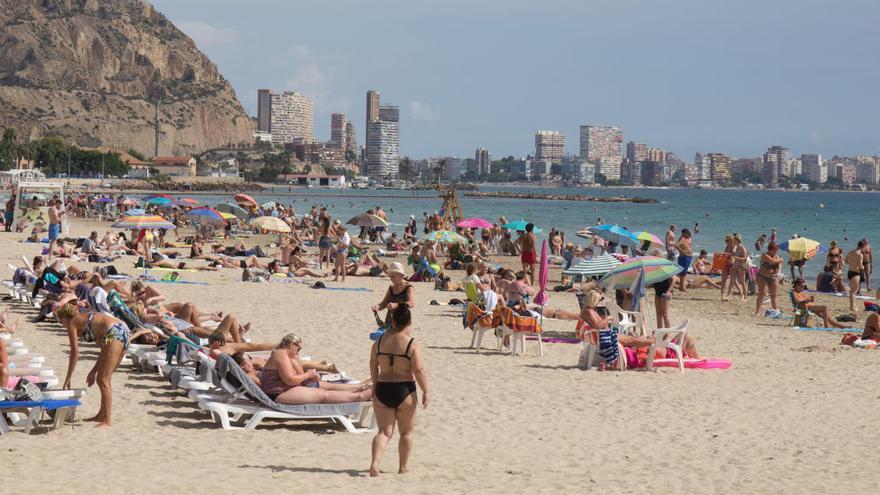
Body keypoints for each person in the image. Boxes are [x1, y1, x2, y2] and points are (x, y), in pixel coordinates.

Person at [369, 303, 429, 477]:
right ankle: (402, 468)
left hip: (383, 388)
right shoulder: (411, 344)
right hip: (404, 390)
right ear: (409, 322)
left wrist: (374, 384)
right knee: (406, 432)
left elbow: (373, 365)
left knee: (383, 432)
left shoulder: (378, 342)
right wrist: (426, 391)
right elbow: (418, 370)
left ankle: (375, 464)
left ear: (392, 322)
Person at [54, 304, 134, 427]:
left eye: (60, 320)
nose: (61, 324)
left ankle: (107, 420)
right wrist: (93, 371)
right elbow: (104, 350)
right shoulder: (85, 321)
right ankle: (101, 415)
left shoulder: (73, 322)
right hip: (122, 331)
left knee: (103, 380)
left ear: (65, 317)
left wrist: (68, 378)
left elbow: (75, 352)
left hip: (116, 332)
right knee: (103, 378)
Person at [259, 333, 370, 404]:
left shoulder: (287, 355)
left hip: (286, 388)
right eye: (299, 347)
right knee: (324, 396)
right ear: (292, 344)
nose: (299, 350)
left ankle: (361, 389)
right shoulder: (280, 354)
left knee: (329, 388)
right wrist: (307, 375)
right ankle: (360, 396)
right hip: (277, 393)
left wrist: (308, 378)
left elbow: (295, 377)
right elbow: (290, 380)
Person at [754, 242, 783, 316]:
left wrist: (778, 272)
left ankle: (775, 311)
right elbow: (772, 261)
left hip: (772, 277)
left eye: (776, 251)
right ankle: (757, 312)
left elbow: (779, 264)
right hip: (762, 276)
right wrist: (780, 260)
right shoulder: (764, 255)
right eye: (774, 250)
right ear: (770, 250)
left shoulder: (776, 256)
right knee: (762, 294)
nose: (776, 252)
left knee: (773, 295)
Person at [728, 233, 749, 302]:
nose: (733, 241)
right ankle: (739, 295)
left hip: (741, 267)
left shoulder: (742, 247)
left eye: (734, 240)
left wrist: (736, 258)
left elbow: (745, 258)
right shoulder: (735, 247)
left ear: (737, 240)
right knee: (733, 280)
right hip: (735, 266)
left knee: (742, 282)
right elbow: (732, 255)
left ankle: (745, 297)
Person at [846, 241, 866, 311]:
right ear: (863, 246)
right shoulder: (860, 255)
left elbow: (845, 261)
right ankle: (852, 307)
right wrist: (863, 267)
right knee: (853, 292)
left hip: (850, 272)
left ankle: (853, 306)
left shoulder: (851, 252)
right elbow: (860, 266)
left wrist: (852, 263)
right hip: (856, 273)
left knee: (852, 291)